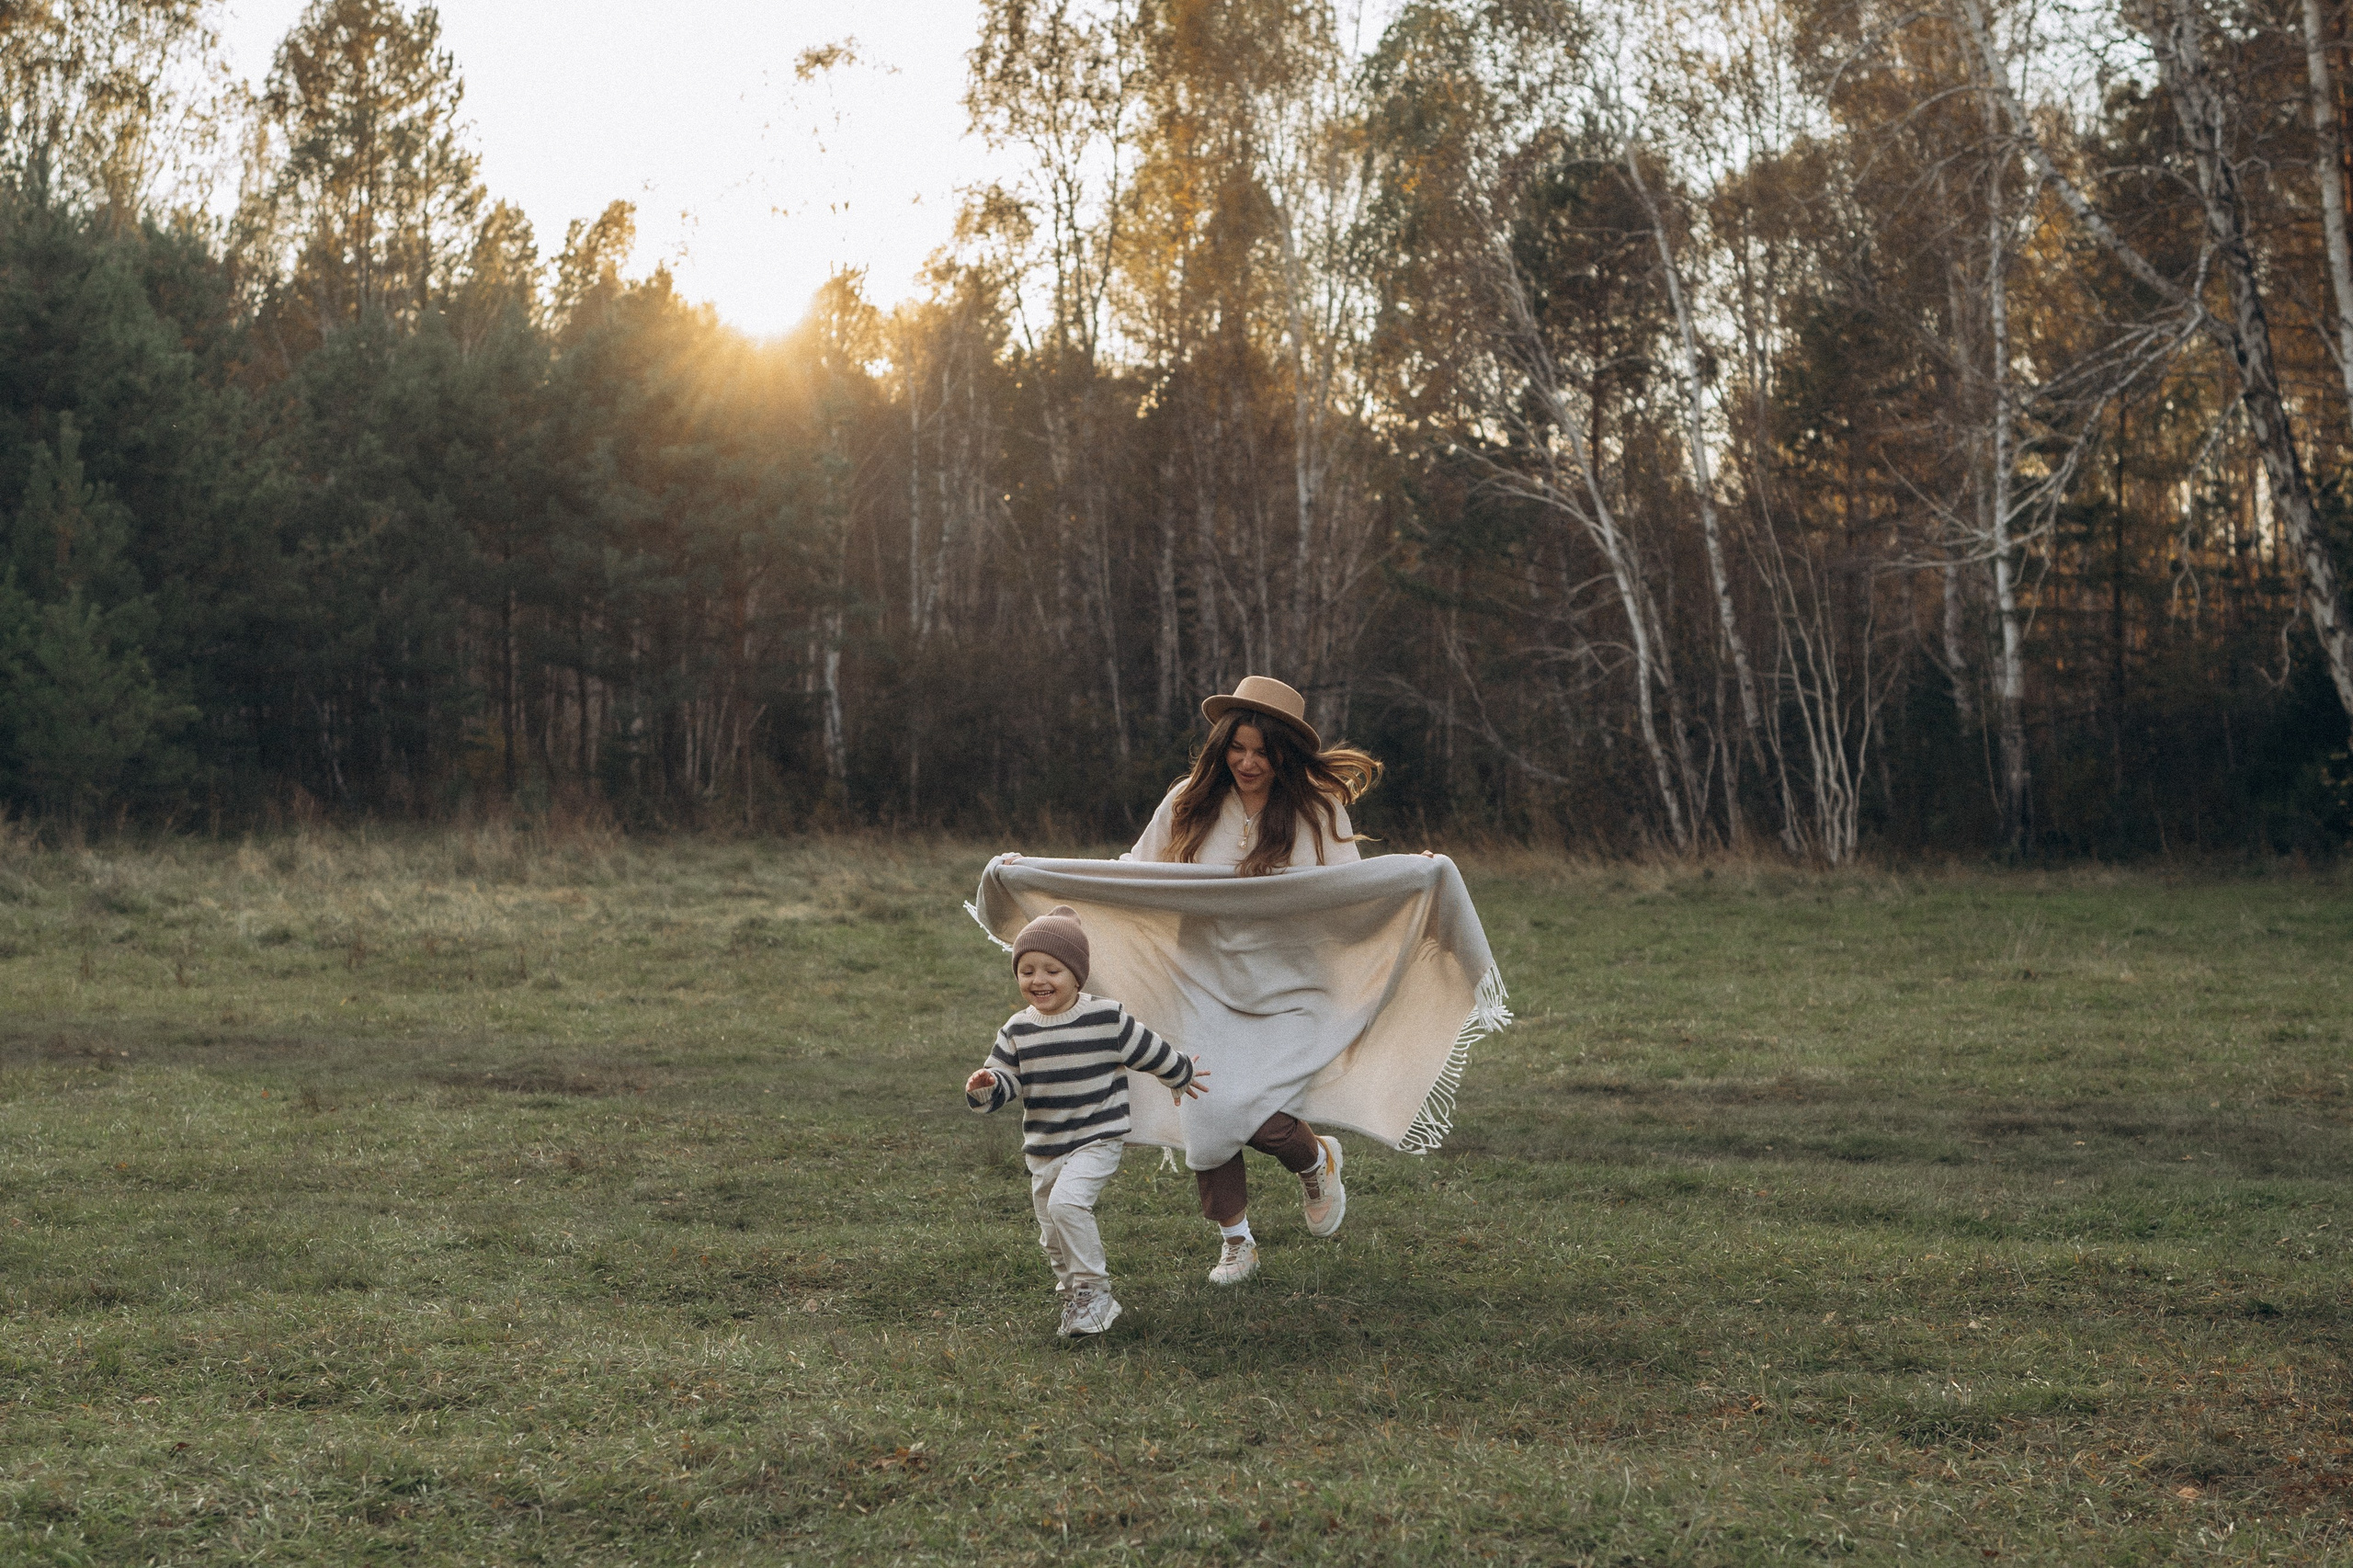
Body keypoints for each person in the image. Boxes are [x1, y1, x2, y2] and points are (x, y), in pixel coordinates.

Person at [1121, 674, 1410, 1286]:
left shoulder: (1316, 809)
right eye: (1237, 748)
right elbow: (1133, 872)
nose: (1247, 763)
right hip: (1201, 981)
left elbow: (1351, 891)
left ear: (1285, 753)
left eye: (1262, 751)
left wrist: (1415, 876)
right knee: (1205, 1110)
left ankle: (1315, 1158)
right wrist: (1038, 873)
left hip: (1290, 987)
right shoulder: (1187, 801)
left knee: (1253, 1110)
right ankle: (1236, 1242)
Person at [964, 903, 1210, 1337]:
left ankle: (1097, 1293)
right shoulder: (1017, 1030)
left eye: (1052, 970)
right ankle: (1074, 1295)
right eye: (1027, 970)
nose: (1038, 980)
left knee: (1067, 1205)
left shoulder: (1105, 1017)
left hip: (1096, 1137)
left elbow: (1148, 1048)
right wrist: (985, 1085)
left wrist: (1180, 1072)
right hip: (1044, 1147)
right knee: (1052, 1232)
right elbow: (1004, 1082)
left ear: (1077, 975)